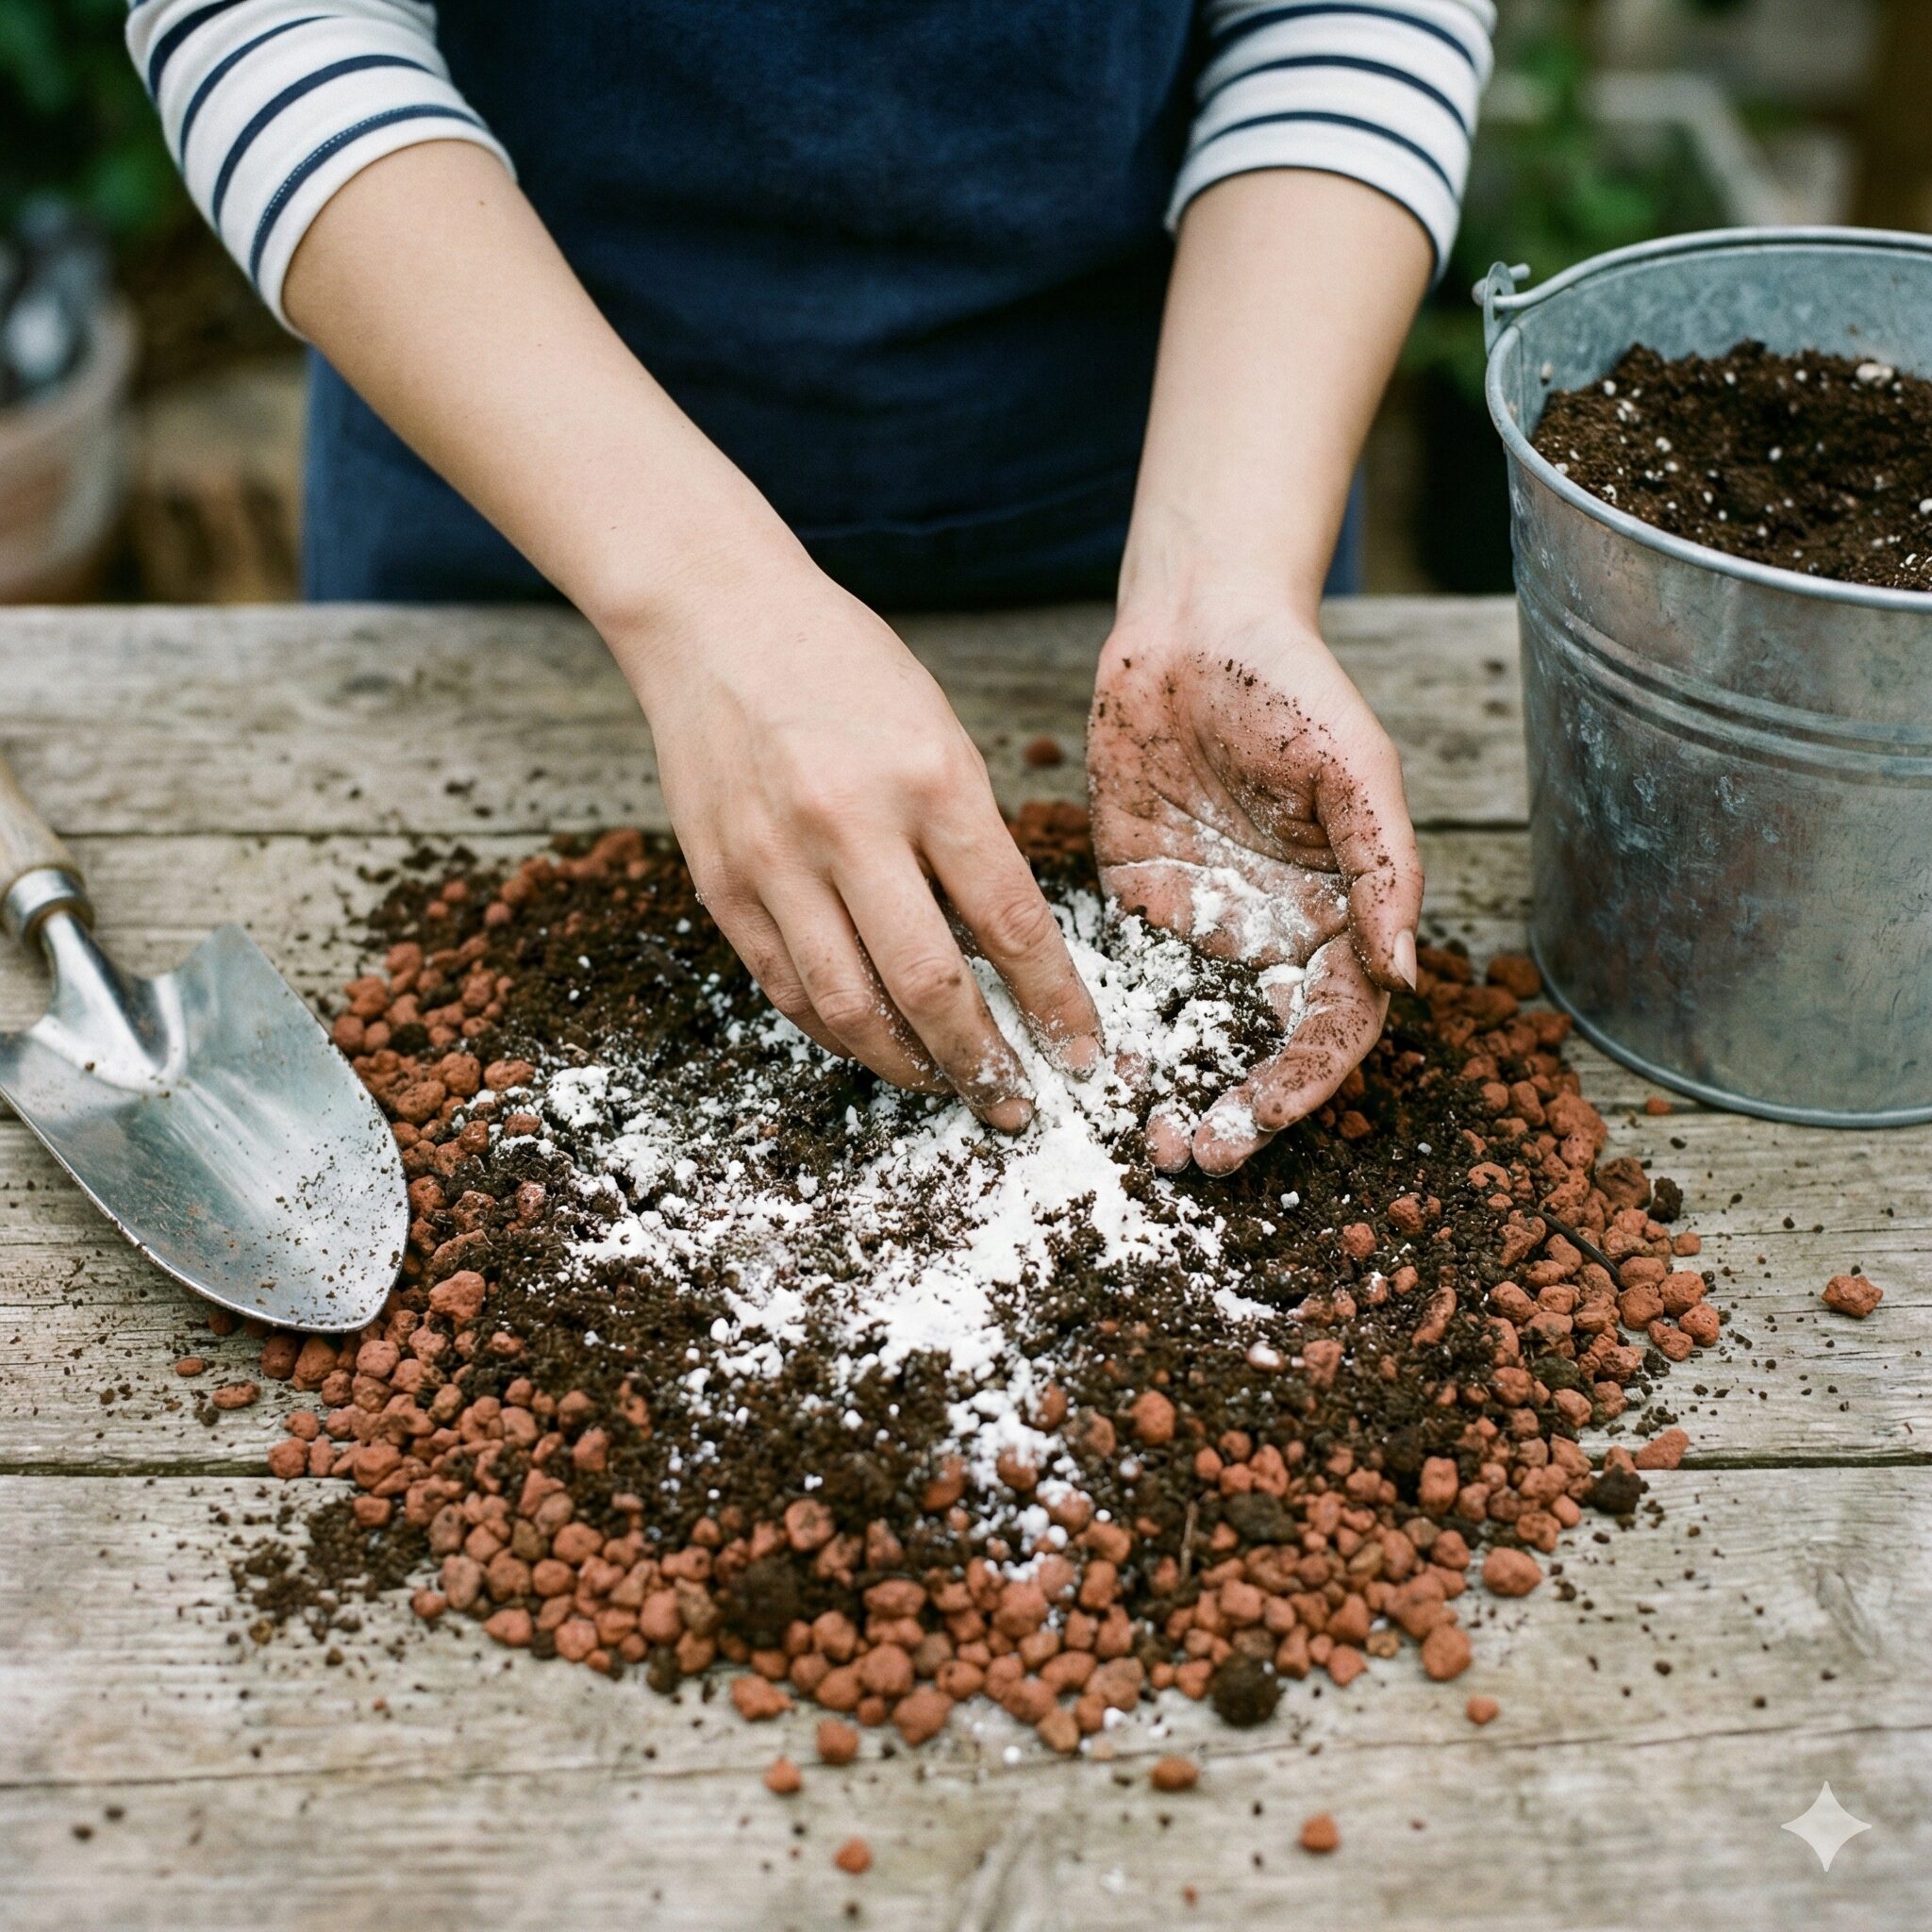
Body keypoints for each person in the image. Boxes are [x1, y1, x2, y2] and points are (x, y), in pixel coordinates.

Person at [128, 0, 1494, 1173]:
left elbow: (1343, 17)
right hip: (518, 461)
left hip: (1155, 457)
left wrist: (1225, 580)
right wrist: (706, 600)